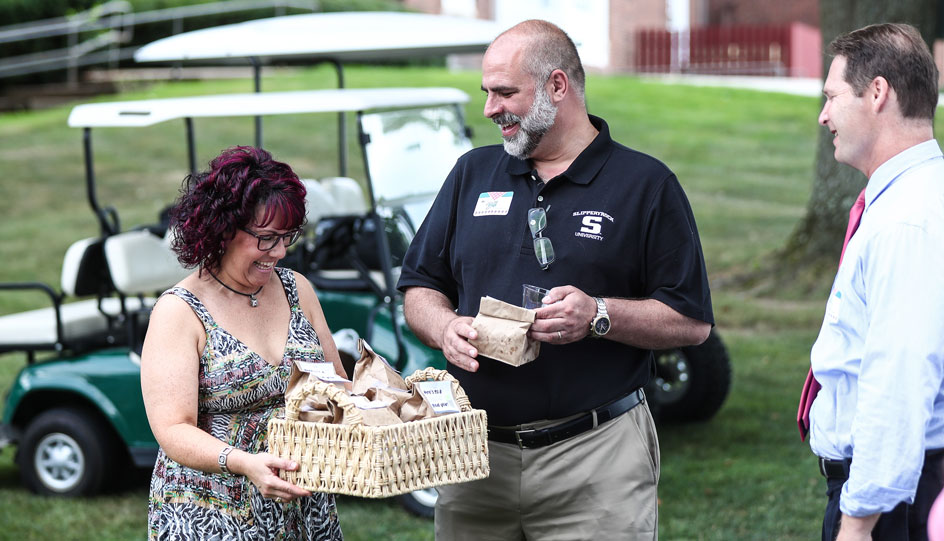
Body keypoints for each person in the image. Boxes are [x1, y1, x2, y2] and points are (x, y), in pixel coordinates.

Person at [398, 19, 713, 539]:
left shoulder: (645, 185)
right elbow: (419, 287)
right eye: (486, 93)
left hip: (595, 460)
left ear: (557, 86)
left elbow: (690, 321)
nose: (489, 109)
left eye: (504, 93)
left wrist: (600, 315)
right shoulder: (472, 173)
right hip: (474, 458)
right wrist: (443, 327)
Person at [141, 146, 345, 539]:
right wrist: (243, 462)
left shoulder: (296, 288)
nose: (280, 252)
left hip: (300, 501)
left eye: (288, 237)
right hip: (211, 509)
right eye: (266, 239)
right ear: (222, 229)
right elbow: (172, 429)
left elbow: (336, 387)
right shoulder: (179, 311)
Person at [803, 23, 944, 541]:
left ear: (877, 93)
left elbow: (899, 375)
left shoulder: (908, 221)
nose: (824, 115)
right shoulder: (910, 198)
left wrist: (859, 521)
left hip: (893, 505)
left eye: (833, 96)